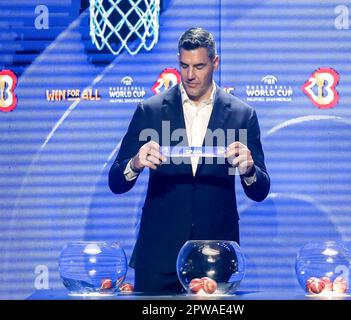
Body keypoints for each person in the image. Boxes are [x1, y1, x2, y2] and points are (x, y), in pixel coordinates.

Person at [109, 27, 270, 294]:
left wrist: (249, 169)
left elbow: (260, 190)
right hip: (158, 257)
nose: (190, 75)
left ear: (215, 63)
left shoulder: (242, 115)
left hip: (215, 259)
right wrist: (135, 164)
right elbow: (116, 181)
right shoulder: (149, 111)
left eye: (199, 66)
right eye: (184, 66)